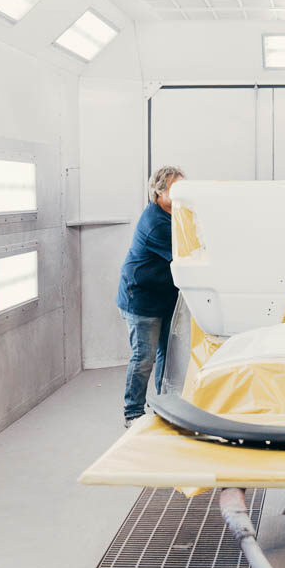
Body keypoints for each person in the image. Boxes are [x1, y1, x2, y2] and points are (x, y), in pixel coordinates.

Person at [117, 165, 184, 426]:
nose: (182, 193)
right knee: (143, 356)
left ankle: (166, 405)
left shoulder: (176, 213)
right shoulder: (156, 223)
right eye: (176, 188)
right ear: (159, 193)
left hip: (164, 295)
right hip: (141, 300)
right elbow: (186, 252)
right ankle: (132, 412)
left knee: (167, 353)